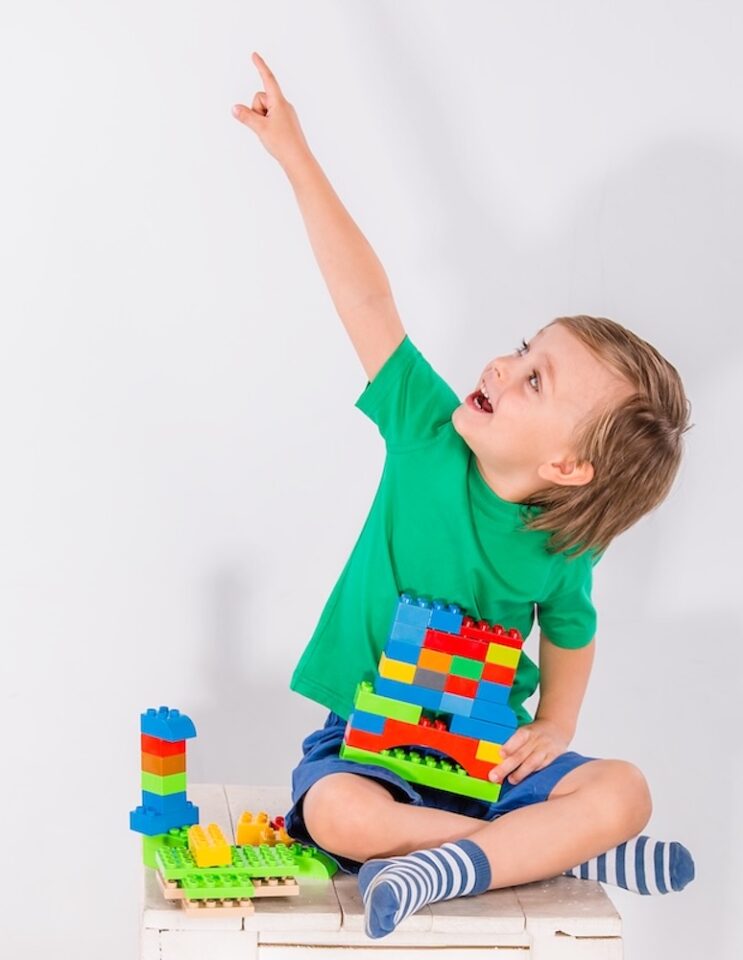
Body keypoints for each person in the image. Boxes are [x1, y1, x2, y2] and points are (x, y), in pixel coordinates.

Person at [232, 52, 696, 939]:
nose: (501, 366)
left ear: (568, 468)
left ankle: (482, 851)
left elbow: (572, 630)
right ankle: (508, 850)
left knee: (623, 788)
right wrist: (295, 154)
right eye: (523, 351)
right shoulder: (425, 433)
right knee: (334, 813)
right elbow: (366, 297)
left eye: (533, 383)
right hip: (370, 745)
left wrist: (556, 725)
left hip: (487, 757)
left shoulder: (564, 552)